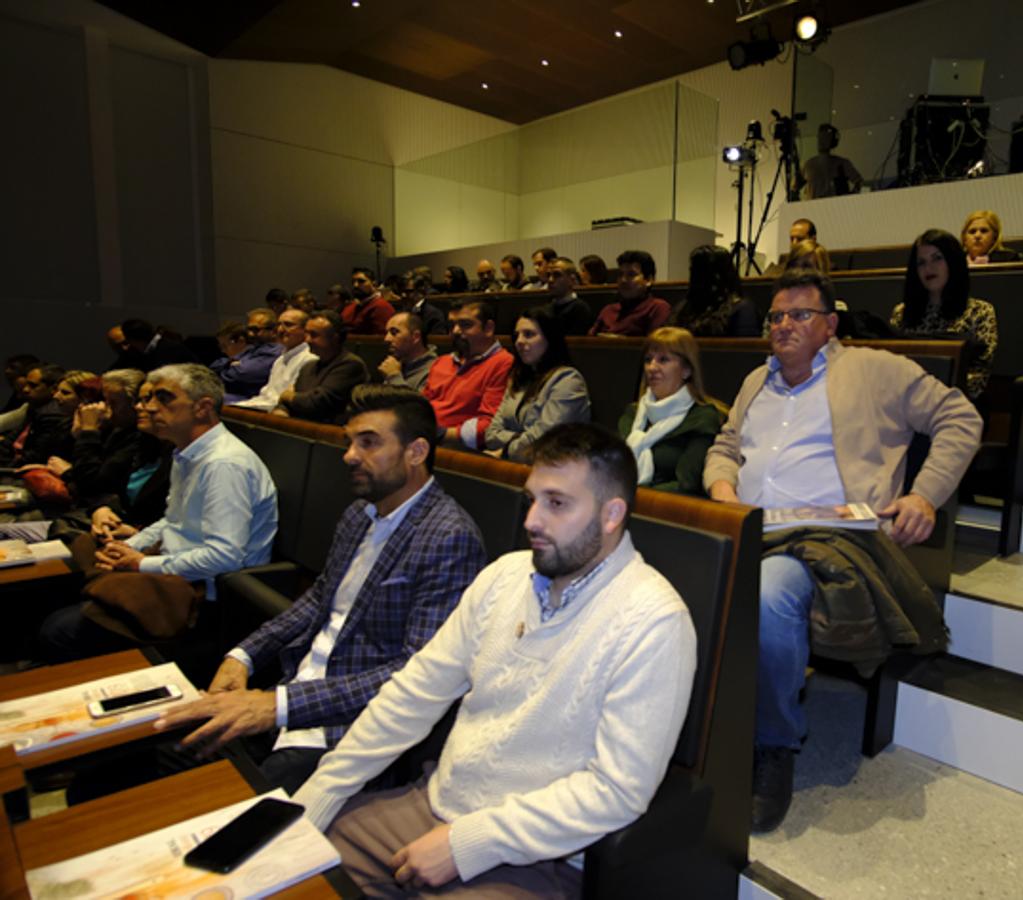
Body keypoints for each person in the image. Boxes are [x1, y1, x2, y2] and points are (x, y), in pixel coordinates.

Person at [291, 423, 695, 896]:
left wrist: (468, 843)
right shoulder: (504, 576)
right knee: (297, 871)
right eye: (532, 499)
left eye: (557, 503)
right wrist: (324, 789)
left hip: (538, 855)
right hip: (433, 804)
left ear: (612, 515)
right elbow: (413, 693)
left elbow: (617, 791)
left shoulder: (654, 621)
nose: (532, 521)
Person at [704, 270, 981, 833]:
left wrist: (924, 496)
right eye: (776, 316)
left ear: (830, 325)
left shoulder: (876, 368)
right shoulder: (757, 379)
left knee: (768, 595)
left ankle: (774, 744)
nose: (783, 325)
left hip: (829, 537)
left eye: (799, 314)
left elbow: (960, 417)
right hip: (750, 524)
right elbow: (726, 444)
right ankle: (701, 730)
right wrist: (722, 487)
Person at [155, 386, 487, 793]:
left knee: (215, 800)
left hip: (348, 726)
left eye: (368, 442)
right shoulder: (359, 514)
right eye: (349, 442)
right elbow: (318, 599)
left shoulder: (450, 537)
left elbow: (416, 670)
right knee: (165, 750)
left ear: (416, 452)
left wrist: (279, 705)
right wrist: (242, 656)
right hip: (294, 689)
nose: (349, 455)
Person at [39, 364, 277, 661]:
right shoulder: (186, 452)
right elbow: (173, 522)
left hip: (204, 596)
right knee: (64, 586)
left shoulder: (224, 465)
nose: (149, 407)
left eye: (163, 398)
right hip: (173, 571)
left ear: (202, 408)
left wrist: (141, 563)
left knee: (60, 629)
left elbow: (225, 557)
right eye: (148, 398)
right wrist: (128, 547)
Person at [891, 229, 1000, 399]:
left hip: (954, 404)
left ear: (953, 262)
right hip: (905, 401)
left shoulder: (980, 312)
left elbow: (978, 377)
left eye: (937, 258)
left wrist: (931, 396)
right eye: (921, 262)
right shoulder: (901, 313)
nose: (928, 268)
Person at [618, 328, 724, 495]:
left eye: (663, 360)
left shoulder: (702, 418)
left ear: (686, 370)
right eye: (648, 360)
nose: (652, 367)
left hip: (667, 507)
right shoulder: (633, 414)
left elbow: (686, 485)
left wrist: (631, 496)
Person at [70, 371, 172, 535]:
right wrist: (101, 508)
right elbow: (111, 493)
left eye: (112, 402)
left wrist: (89, 432)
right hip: (114, 526)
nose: (139, 407)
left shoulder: (181, 454)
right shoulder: (143, 441)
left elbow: (91, 484)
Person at [485, 307, 590, 462]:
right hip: (515, 464)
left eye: (529, 334)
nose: (519, 341)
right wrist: (521, 439)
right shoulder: (518, 379)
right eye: (516, 335)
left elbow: (544, 443)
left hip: (555, 469)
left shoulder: (568, 381)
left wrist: (506, 450)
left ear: (550, 338)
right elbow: (491, 434)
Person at [421, 300, 512, 451]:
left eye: (465, 325)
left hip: (459, 450)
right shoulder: (442, 361)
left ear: (488, 328)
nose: (455, 331)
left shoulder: (503, 363)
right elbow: (422, 406)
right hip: (425, 440)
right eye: (452, 325)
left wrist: (439, 434)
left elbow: (491, 425)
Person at [276, 309, 370, 423]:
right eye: (306, 333)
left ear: (334, 337)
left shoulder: (351, 365)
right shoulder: (308, 367)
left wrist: (288, 396)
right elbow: (287, 402)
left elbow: (316, 403)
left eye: (314, 335)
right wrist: (281, 410)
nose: (307, 340)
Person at [231, 308, 317, 413]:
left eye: (288, 325)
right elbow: (266, 395)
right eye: (279, 325)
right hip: (263, 407)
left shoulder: (309, 359)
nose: (280, 330)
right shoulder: (280, 360)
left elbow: (287, 401)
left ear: (305, 330)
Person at [672, 244, 759, 337]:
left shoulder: (742, 310)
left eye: (700, 272)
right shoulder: (684, 308)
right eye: (693, 272)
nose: (695, 279)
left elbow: (744, 345)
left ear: (718, 276)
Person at [589, 250, 671, 336]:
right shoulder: (608, 310)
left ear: (648, 280)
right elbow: (589, 340)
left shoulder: (657, 308)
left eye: (631, 275)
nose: (623, 280)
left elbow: (655, 342)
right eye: (620, 274)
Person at [211, 311, 282, 403]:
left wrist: (231, 366)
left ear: (273, 331)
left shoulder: (274, 351)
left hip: (254, 400)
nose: (250, 334)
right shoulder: (253, 348)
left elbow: (240, 374)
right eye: (249, 329)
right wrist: (230, 363)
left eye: (255, 330)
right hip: (237, 396)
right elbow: (215, 366)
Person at [798, 123, 863, 199]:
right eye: (820, 137)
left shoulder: (842, 164)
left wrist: (848, 199)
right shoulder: (808, 165)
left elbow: (859, 182)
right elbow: (794, 188)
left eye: (825, 138)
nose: (821, 141)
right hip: (813, 205)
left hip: (835, 205)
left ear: (832, 141)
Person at [378, 312, 437, 392]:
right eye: (387, 333)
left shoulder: (434, 370)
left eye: (394, 332)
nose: (387, 339)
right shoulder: (395, 365)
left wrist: (394, 377)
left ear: (415, 337)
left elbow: (417, 400)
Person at [544, 257, 597, 335]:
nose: (550, 280)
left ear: (572, 280)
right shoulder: (547, 308)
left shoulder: (580, 309)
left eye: (557, 275)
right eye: (548, 275)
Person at [343, 267, 396, 336]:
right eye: (353, 282)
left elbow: (381, 339)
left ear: (374, 284)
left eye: (361, 281)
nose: (355, 285)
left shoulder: (382, 307)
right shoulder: (351, 306)